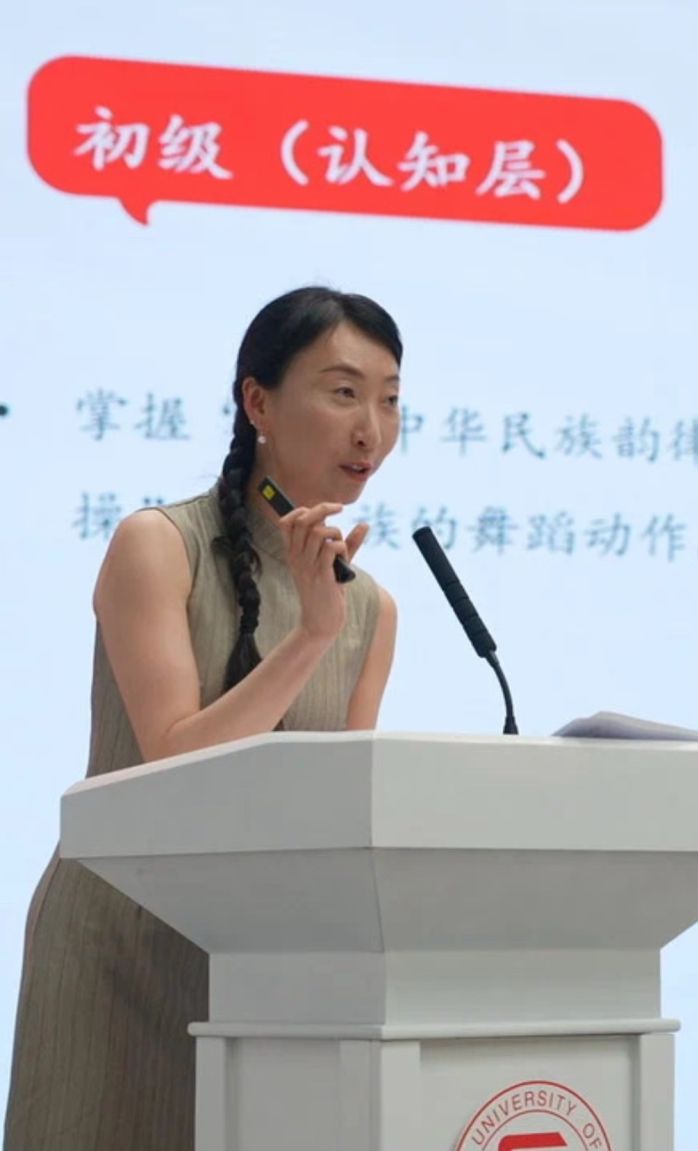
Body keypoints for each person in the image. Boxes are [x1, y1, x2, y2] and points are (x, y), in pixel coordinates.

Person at [5, 286, 402, 1149]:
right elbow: (171, 761)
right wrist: (311, 636)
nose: (371, 428)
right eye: (344, 392)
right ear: (258, 402)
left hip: (267, 965)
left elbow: (345, 812)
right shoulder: (159, 544)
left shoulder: (371, 607)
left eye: (390, 398)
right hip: (122, 945)